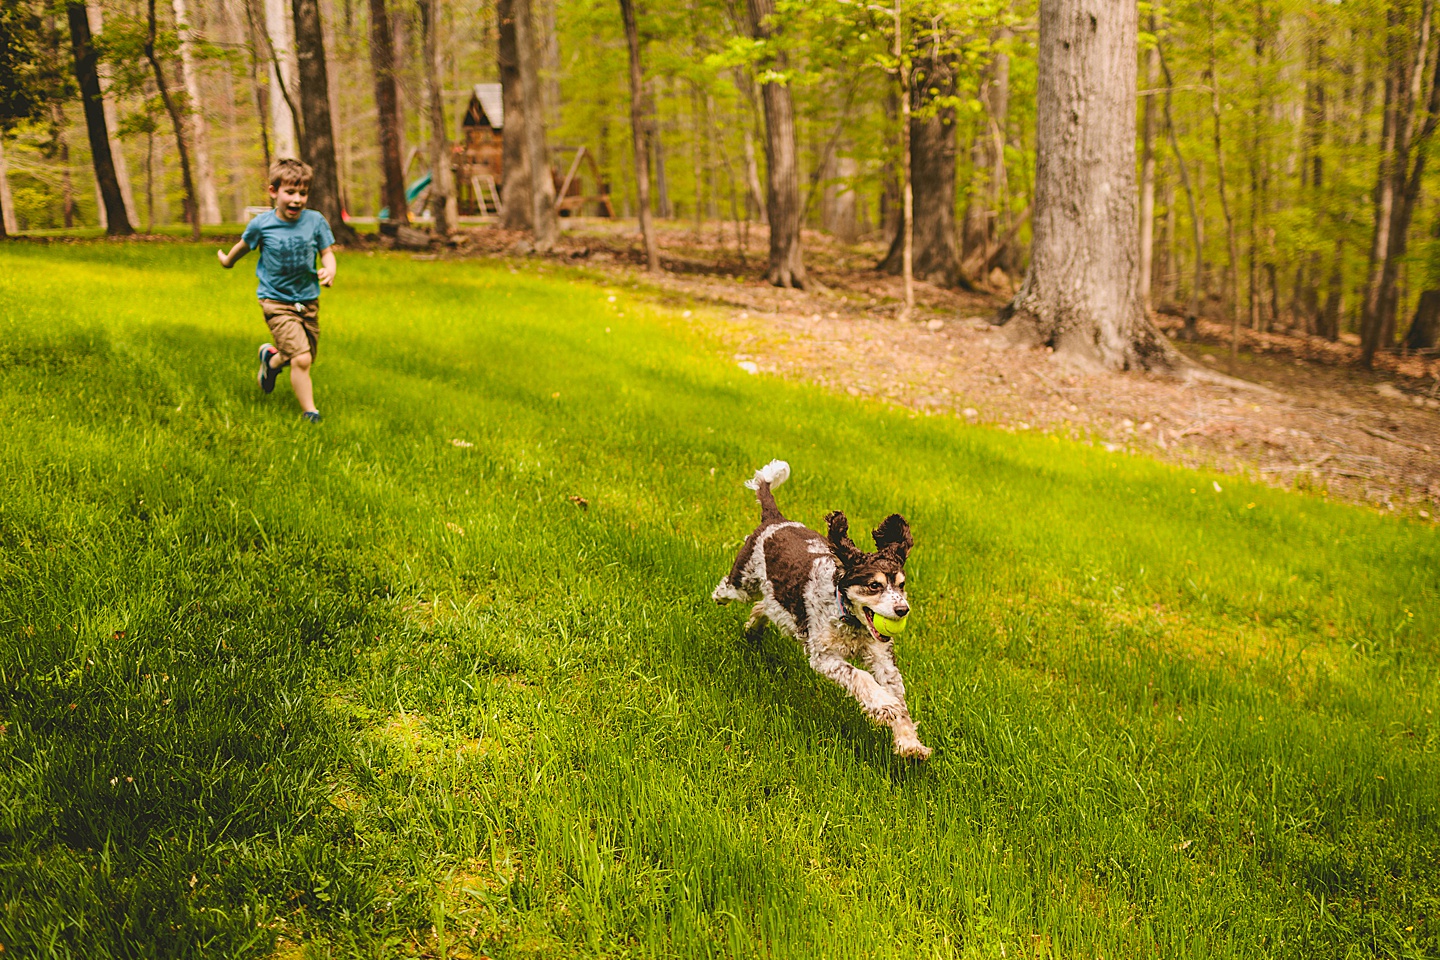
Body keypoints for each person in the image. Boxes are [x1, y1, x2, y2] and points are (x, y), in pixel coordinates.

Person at [217, 158, 336, 423]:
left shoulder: (315, 221)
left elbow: (327, 253)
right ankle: (310, 412)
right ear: (273, 191)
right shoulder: (262, 224)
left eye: (303, 193)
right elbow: (243, 246)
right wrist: (227, 261)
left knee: (302, 355)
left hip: (308, 301)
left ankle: (270, 361)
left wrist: (330, 270)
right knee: (301, 359)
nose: (297, 200)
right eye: (290, 192)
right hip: (276, 301)